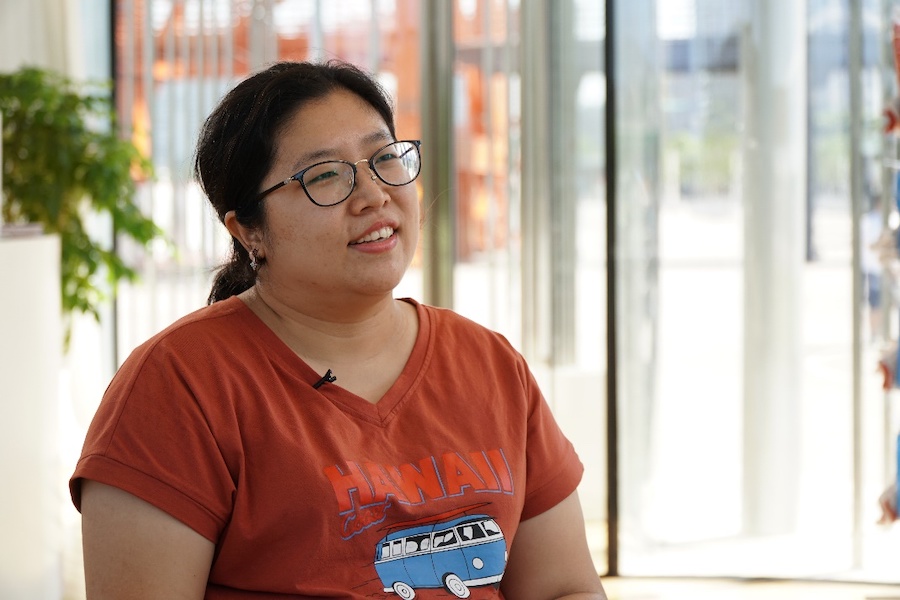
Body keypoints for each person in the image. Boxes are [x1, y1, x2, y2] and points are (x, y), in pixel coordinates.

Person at [69, 60, 607, 600]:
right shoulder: (178, 384)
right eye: (325, 175)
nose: (374, 194)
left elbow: (565, 588)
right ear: (249, 231)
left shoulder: (489, 364)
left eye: (385, 158)